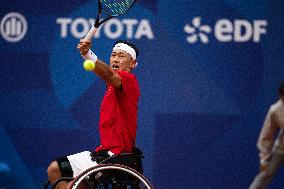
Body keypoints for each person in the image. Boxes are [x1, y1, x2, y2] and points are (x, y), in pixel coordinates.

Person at [47, 39, 140, 189]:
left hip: (115, 155)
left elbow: (109, 74)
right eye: (113, 55)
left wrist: (88, 54)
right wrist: (86, 55)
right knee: (65, 176)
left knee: (62, 176)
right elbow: (106, 75)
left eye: (122, 56)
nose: (115, 59)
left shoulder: (129, 80)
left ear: (132, 63)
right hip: (103, 153)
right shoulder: (111, 86)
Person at [249, 81, 284, 189]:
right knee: (265, 173)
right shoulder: (275, 110)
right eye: (282, 97)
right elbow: (267, 135)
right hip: (282, 148)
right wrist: (264, 159)